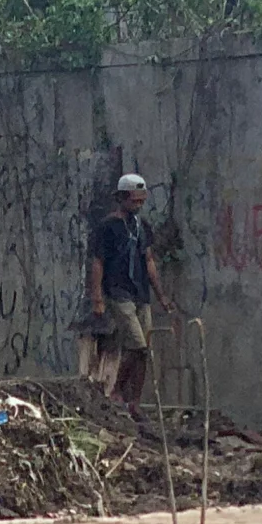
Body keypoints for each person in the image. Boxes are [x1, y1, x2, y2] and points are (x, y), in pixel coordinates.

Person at [87, 172, 170, 419]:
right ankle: (116, 392)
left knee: (144, 350)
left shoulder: (141, 226)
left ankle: (134, 401)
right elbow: (98, 263)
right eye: (135, 201)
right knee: (137, 344)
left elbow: (149, 261)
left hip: (140, 294)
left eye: (142, 201)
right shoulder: (108, 227)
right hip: (118, 293)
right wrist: (97, 298)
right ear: (122, 198)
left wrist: (161, 295)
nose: (139, 205)